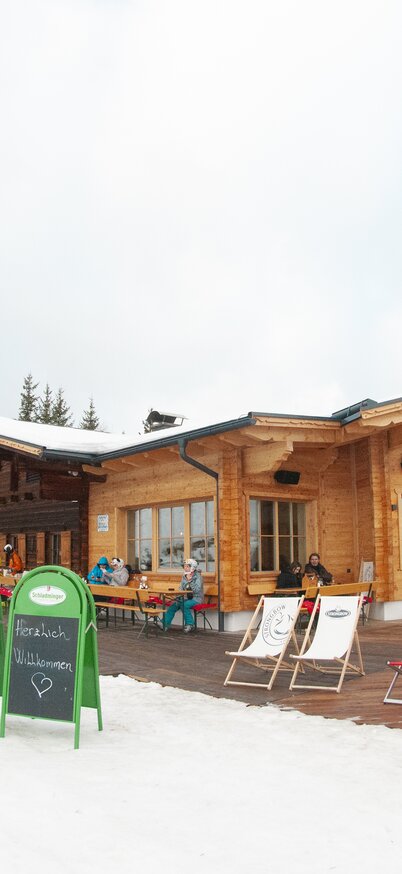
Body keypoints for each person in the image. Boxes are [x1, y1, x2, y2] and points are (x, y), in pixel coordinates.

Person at [164, 558, 203, 633]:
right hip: (185, 598)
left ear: (192, 567)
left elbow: (197, 590)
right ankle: (165, 624)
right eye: (184, 566)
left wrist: (189, 581)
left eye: (187, 566)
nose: (185, 568)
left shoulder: (198, 577)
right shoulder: (184, 576)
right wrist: (177, 597)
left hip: (196, 599)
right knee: (174, 605)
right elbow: (181, 588)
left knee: (184, 605)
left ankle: (190, 624)